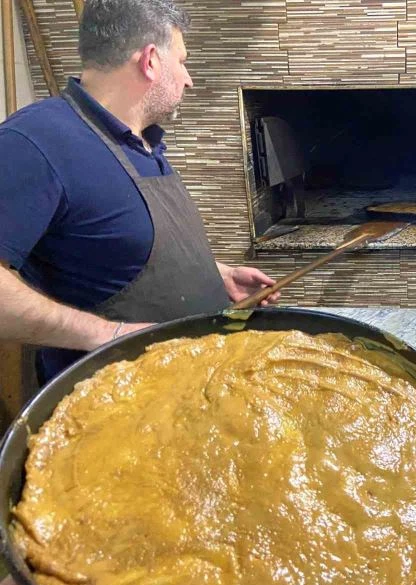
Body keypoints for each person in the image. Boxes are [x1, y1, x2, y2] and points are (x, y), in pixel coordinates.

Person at [0, 0, 278, 386]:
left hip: (196, 379)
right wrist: (106, 334)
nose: (188, 79)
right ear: (150, 61)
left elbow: (116, 249)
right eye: (182, 61)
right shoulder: (32, 142)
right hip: (117, 398)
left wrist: (219, 275)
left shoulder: (142, 142)